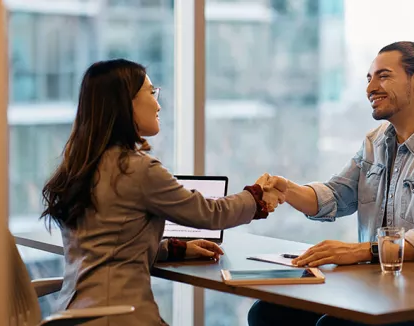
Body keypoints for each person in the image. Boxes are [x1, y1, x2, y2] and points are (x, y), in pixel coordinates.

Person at [248, 41, 414, 326]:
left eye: (383, 76)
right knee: (267, 312)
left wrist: (359, 251)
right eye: (369, 78)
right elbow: (337, 195)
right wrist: (287, 189)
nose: (370, 88)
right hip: (378, 291)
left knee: (333, 325)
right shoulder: (375, 141)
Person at [41, 59, 288, 326]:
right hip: (118, 318)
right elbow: (211, 214)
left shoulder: (80, 167)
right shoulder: (136, 169)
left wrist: (174, 249)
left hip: (71, 315)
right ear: (126, 103)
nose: (158, 105)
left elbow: (106, 247)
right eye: (151, 92)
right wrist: (257, 196)